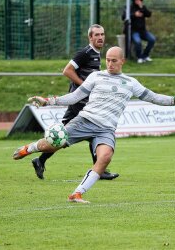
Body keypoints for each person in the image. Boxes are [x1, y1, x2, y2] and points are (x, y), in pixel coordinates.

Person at [13, 46, 175, 203]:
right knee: (51, 145)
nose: (110, 63)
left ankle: (77, 193)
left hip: (106, 129)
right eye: (108, 59)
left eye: (114, 60)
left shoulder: (130, 83)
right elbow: (74, 97)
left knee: (105, 157)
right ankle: (28, 149)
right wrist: (48, 100)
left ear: (123, 61)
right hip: (84, 120)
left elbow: (154, 97)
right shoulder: (96, 77)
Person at [31, 24, 119, 181]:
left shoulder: (97, 54)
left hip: (84, 102)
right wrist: (84, 86)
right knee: (70, 136)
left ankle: (98, 170)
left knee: (82, 135)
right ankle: (40, 159)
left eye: (102, 34)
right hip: (78, 103)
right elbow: (67, 70)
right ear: (90, 37)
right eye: (97, 35)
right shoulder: (85, 53)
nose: (100, 37)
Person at [123, 0, 156, 64]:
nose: (138, 1)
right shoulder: (130, 7)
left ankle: (145, 55)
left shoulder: (142, 7)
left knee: (152, 39)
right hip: (134, 31)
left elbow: (149, 14)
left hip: (143, 31)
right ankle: (139, 57)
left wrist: (142, 7)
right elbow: (124, 16)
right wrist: (134, 15)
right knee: (138, 42)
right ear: (134, 0)